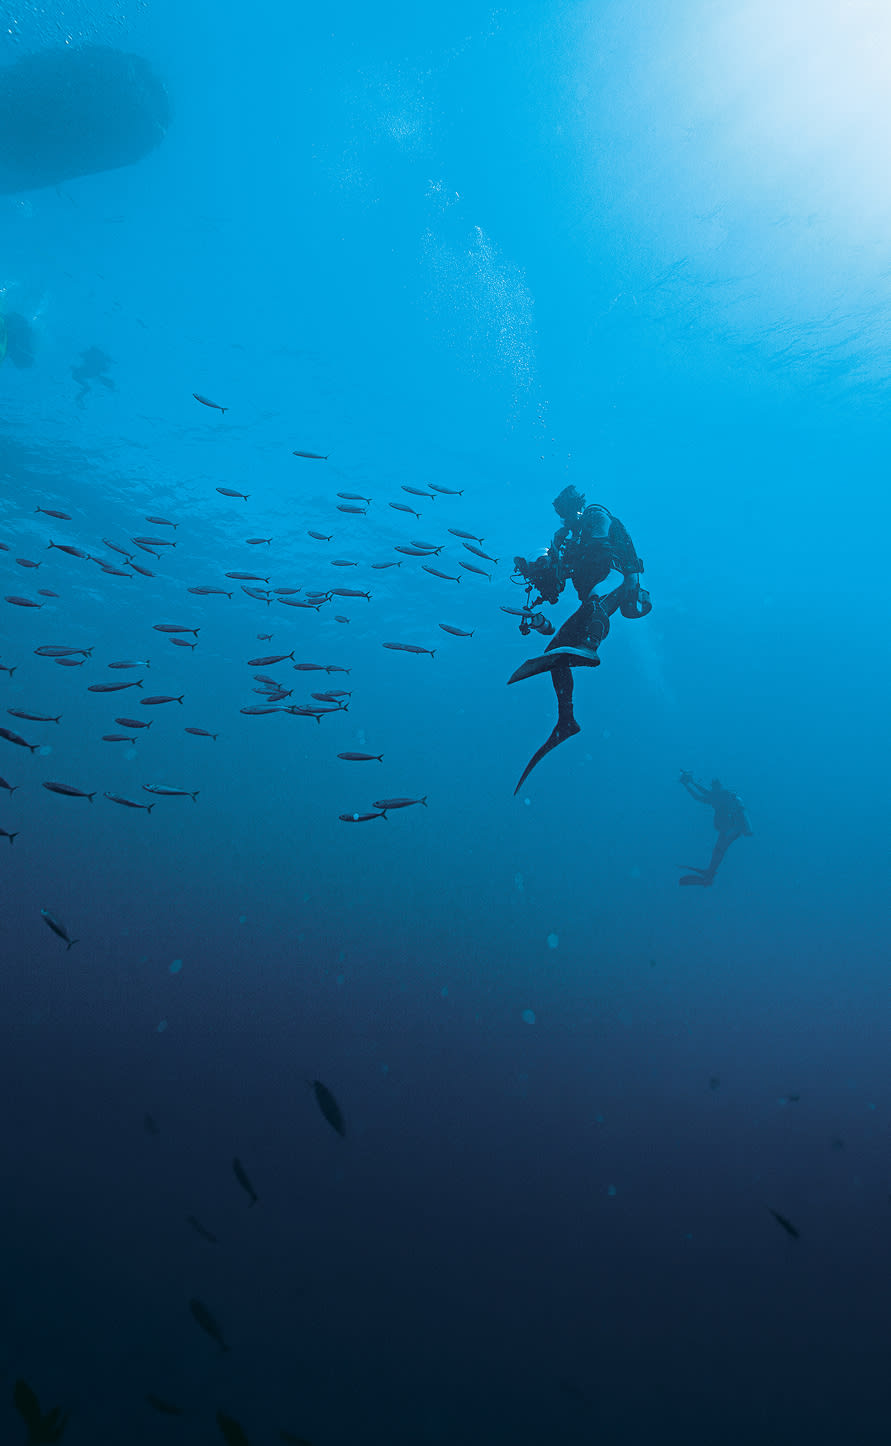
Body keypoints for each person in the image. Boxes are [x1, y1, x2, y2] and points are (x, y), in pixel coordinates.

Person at [508, 487, 651, 793]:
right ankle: (566, 721)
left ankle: (591, 648)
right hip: (590, 600)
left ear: (578, 508)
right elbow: (556, 589)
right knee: (554, 653)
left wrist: (569, 551)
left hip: (616, 581)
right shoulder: (564, 537)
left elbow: (599, 549)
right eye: (561, 516)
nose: (565, 520)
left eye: (568, 514)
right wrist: (541, 572)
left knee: (596, 599)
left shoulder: (596, 517)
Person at [677, 772, 752, 886]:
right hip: (732, 828)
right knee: (718, 850)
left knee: (719, 850)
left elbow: (699, 796)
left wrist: (686, 785)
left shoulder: (721, 797)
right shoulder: (724, 795)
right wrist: (692, 782)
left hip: (731, 829)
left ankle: (710, 875)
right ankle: (710, 872)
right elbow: (707, 793)